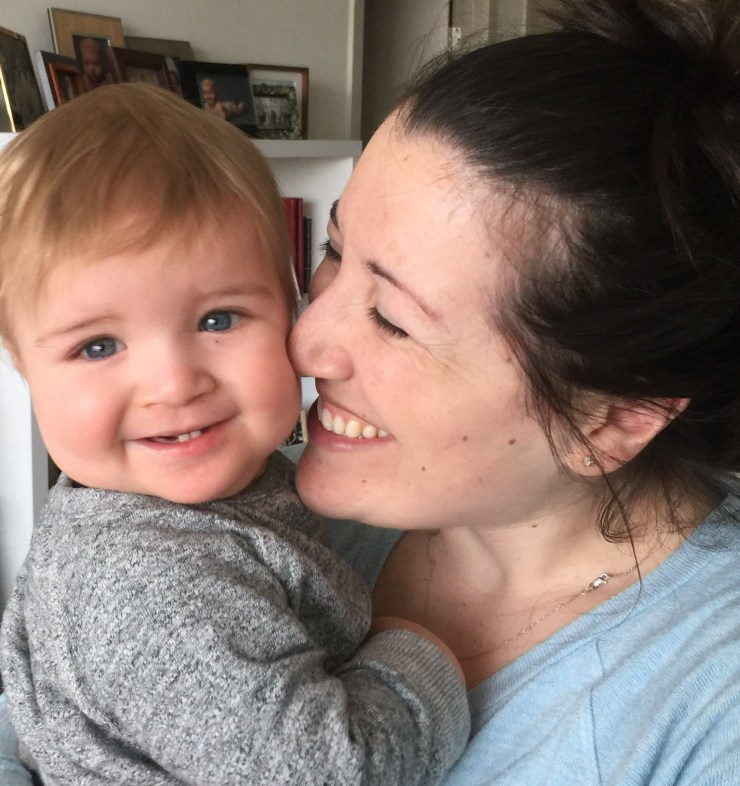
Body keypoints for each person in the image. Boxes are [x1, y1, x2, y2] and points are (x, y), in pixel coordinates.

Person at [2, 0, 740, 782]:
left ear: (613, 418)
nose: (306, 340)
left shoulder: (708, 709)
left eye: (392, 319)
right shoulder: (244, 502)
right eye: (332, 251)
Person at [0, 83, 469, 785]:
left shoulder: (230, 495)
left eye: (218, 319)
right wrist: (417, 657)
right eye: (98, 346)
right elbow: (328, 773)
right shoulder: (149, 588)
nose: (173, 384)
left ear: (291, 310)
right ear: (22, 364)